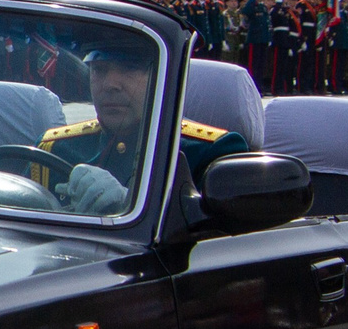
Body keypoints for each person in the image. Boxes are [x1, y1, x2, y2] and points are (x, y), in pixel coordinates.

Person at [43, 41, 250, 216]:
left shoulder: (210, 153)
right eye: (99, 69)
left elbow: (219, 247)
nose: (110, 84)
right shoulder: (55, 148)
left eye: (130, 68)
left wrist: (129, 205)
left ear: (162, 77)